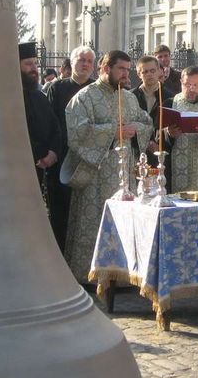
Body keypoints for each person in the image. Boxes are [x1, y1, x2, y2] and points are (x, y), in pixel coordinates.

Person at [61, 50, 153, 284]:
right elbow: (77, 133)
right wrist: (113, 132)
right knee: (93, 224)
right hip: (96, 177)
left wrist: (134, 128)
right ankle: (90, 276)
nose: (126, 74)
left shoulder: (130, 97)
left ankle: (122, 277)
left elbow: (146, 123)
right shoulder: (85, 97)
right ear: (105, 69)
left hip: (124, 176)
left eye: (127, 69)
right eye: (121, 69)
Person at [45, 45, 95, 251]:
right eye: (81, 60)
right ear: (71, 62)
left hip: (90, 158)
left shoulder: (96, 89)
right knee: (60, 208)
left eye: (89, 61)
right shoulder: (56, 88)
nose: (85, 64)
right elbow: (50, 123)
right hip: (62, 156)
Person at [18, 42, 61, 195]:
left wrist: (53, 153)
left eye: (35, 64)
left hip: (43, 168)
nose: (34, 69)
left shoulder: (39, 97)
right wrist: (38, 156)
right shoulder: (8, 99)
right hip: (18, 168)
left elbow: (55, 129)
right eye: (28, 64)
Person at [131, 55, 174, 169]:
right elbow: (128, 123)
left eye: (152, 71)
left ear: (160, 71)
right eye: (145, 72)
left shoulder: (170, 97)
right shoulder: (131, 96)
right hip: (137, 152)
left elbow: (172, 125)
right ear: (139, 74)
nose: (149, 74)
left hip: (162, 152)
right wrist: (146, 143)